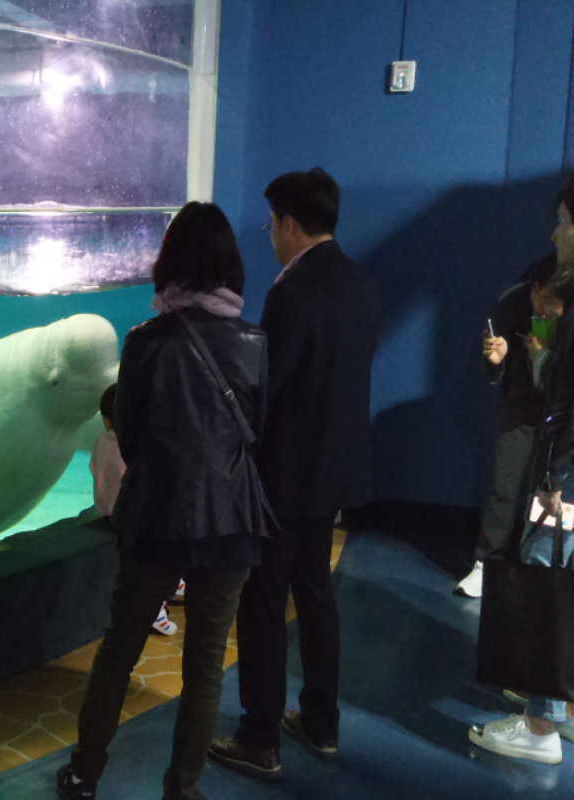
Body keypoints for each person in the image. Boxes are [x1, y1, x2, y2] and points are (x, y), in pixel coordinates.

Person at [56, 202, 275, 800]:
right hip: (232, 519)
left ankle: (84, 772)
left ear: (168, 265)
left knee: (120, 648)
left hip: (156, 515)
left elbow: (127, 431)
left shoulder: (146, 342)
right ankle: (182, 788)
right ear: (231, 266)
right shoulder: (254, 342)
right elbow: (259, 426)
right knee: (204, 666)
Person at [209, 168, 379, 780]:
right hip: (336, 472)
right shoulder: (360, 282)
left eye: (271, 222)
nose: (269, 234)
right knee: (315, 595)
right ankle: (320, 721)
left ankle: (259, 736)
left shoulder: (292, 291)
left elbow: (267, 386)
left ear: (287, 222)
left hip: (284, 476)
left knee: (263, 602)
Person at [468, 177, 574, 764]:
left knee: (544, 573)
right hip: (560, 452)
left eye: (563, 219)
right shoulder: (525, 307)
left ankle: (541, 727)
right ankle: (556, 702)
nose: (556, 230)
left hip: (565, 463)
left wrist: (556, 478)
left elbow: (565, 395)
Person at [456, 251, 567, 598]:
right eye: (547, 301)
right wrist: (497, 361)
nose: (549, 311)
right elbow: (491, 369)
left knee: (552, 495)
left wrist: (546, 353)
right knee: (505, 483)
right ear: (536, 289)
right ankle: (486, 564)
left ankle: (538, 571)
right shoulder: (513, 303)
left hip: (562, 411)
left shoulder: (565, 314)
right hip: (519, 406)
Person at [90, 384, 179, 636]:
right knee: (155, 565)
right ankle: (156, 611)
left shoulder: (101, 441)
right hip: (134, 521)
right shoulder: (136, 447)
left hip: (108, 512)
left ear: (106, 421)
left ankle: (172, 583)